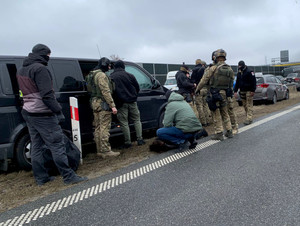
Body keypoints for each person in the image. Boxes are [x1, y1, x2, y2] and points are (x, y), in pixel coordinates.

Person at [16, 44, 87, 185]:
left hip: (28, 111)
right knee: (57, 144)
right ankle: (68, 176)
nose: (49, 58)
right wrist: (58, 111)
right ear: (44, 54)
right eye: (48, 55)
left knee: (36, 146)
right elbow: (47, 95)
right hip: (43, 113)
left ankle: (41, 178)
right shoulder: (40, 69)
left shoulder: (21, 70)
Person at [195, 49, 234, 141]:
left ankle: (219, 133)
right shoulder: (229, 68)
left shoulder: (212, 68)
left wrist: (197, 89)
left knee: (215, 113)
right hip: (225, 93)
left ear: (215, 57)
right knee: (225, 112)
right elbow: (231, 82)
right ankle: (229, 131)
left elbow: (204, 80)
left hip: (214, 93)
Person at [87, 57, 120, 158]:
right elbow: (106, 91)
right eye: (109, 65)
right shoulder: (101, 75)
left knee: (97, 127)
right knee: (104, 127)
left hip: (94, 103)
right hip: (103, 103)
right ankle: (105, 150)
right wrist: (112, 106)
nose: (109, 67)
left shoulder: (91, 74)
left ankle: (99, 150)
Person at [110, 60, 145, 148]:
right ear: (123, 67)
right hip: (132, 101)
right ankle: (140, 139)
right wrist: (134, 96)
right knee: (137, 120)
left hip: (121, 103)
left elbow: (111, 91)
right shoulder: (130, 75)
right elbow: (137, 87)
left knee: (124, 122)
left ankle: (128, 142)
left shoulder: (111, 77)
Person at [234, 60, 256, 125]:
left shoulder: (250, 71)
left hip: (249, 90)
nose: (239, 67)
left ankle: (249, 118)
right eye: (238, 66)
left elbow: (253, 81)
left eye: (240, 66)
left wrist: (253, 90)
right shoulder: (239, 73)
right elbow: (237, 82)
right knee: (245, 105)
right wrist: (235, 91)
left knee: (249, 105)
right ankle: (248, 117)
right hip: (242, 91)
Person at [191, 59, 211, 126]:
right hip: (205, 89)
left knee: (199, 106)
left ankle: (203, 122)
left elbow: (192, 80)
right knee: (205, 105)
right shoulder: (205, 70)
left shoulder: (194, 70)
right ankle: (208, 121)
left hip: (199, 89)